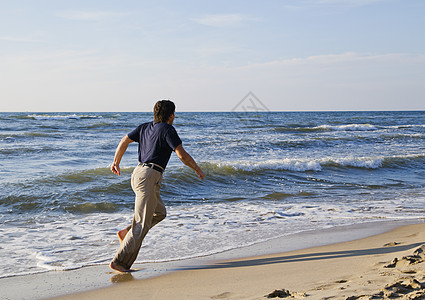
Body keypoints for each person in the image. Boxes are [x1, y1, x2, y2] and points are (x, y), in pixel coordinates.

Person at [109, 100, 204, 272]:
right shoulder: (168, 129)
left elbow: (124, 140)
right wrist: (197, 168)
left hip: (139, 174)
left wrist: (116, 162)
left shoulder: (144, 127)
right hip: (149, 177)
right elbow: (182, 155)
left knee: (159, 213)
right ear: (171, 115)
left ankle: (126, 234)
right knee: (141, 224)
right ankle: (120, 262)